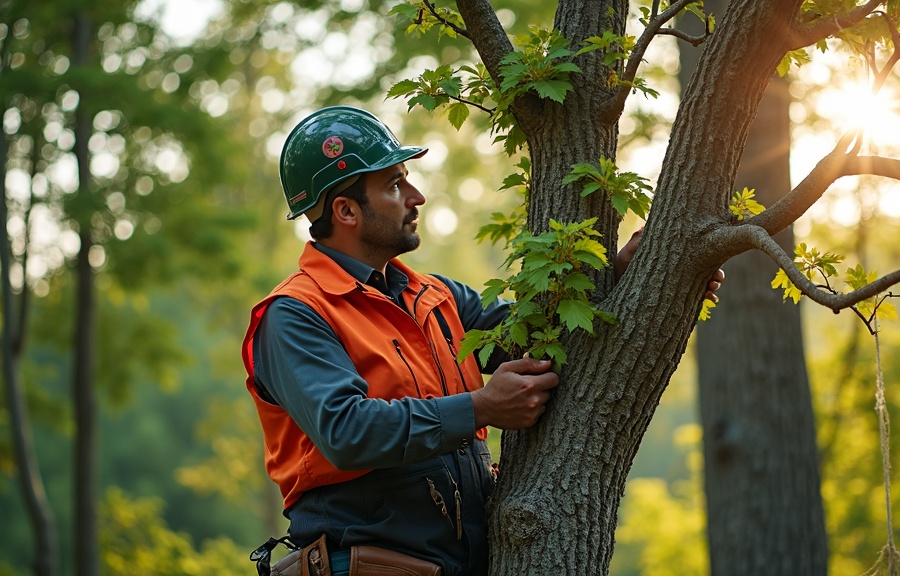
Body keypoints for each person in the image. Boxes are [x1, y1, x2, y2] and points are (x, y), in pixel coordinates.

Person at [242, 105, 722, 576]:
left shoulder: (436, 296)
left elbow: (540, 338)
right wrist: (482, 407)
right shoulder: (295, 314)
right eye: (394, 185)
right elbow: (347, 432)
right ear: (346, 211)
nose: (416, 197)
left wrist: (623, 277)